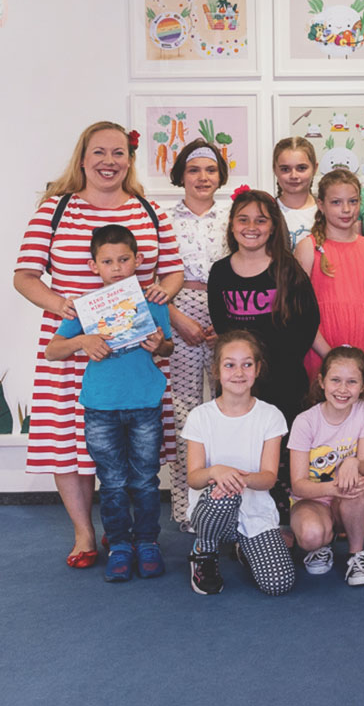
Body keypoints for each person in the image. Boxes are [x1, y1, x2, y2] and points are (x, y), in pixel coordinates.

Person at [14, 121, 183, 567]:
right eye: (99, 152)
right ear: (83, 158)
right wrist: (63, 307)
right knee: (67, 441)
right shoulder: (56, 209)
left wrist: (162, 293)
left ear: (129, 160)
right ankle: (84, 533)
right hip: (72, 344)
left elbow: (172, 271)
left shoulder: (148, 211)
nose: (109, 161)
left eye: (118, 153)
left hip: (136, 348)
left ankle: (123, 530)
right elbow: (24, 275)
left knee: (133, 447)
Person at [45, 224, 174, 581]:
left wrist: (159, 344)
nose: (117, 267)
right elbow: (53, 350)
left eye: (124, 259)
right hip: (100, 408)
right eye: (107, 261)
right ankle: (118, 544)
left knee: (145, 480)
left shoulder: (153, 302)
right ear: (93, 266)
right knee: (113, 481)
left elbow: (167, 347)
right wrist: (82, 341)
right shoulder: (85, 308)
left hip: (145, 403)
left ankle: (147, 542)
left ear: (138, 260)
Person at [183, 331, 294, 597]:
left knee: (279, 583)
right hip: (212, 509)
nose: (239, 372)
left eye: (247, 364)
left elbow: (268, 477)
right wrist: (216, 472)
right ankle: (205, 552)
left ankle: (245, 547)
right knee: (223, 495)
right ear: (217, 370)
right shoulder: (200, 416)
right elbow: (194, 478)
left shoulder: (270, 416)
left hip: (254, 512)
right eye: (230, 365)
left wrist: (236, 479)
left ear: (257, 369)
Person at [208, 189, 320, 428]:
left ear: (273, 227)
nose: (252, 227)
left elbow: (309, 321)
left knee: (282, 442)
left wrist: (286, 362)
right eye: (243, 219)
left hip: (284, 379)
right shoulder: (219, 272)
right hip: (239, 381)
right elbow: (221, 324)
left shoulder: (288, 269)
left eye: (261, 221)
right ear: (231, 224)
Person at [162, 138, 230, 527]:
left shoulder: (233, 216)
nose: (202, 177)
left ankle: (227, 504)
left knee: (230, 404)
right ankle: (186, 508)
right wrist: (175, 317)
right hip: (178, 309)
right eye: (193, 170)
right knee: (182, 410)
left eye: (210, 169)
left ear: (220, 175)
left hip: (226, 311)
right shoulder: (162, 218)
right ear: (181, 176)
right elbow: (149, 274)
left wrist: (227, 321)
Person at [294, 169, 364, 429]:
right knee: (325, 427)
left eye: (352, 201)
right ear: (321, 205)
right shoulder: (308, 248)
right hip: (321, 351)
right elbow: (300, 312)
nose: (346, 209)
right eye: (336, 202)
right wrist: (330, 356)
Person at [287, 345, 364, 586]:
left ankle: (356, 555)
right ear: (321, 381)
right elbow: (298, 485)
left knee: (357, 485)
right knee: (311, 535)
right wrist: (333, 488)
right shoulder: (305, 421)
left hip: (346, 498)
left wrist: (353, 462)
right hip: (311, 500)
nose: (342, 389)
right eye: (335, 380)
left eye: (352, 382)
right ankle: (321, 545)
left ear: (363, 385)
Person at [271, 136, 318, 251]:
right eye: (285, 169)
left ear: (314, 168)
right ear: (275, 169)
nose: (294, 176)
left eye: (301, 168)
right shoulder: (268, 212)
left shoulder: (327, 212)